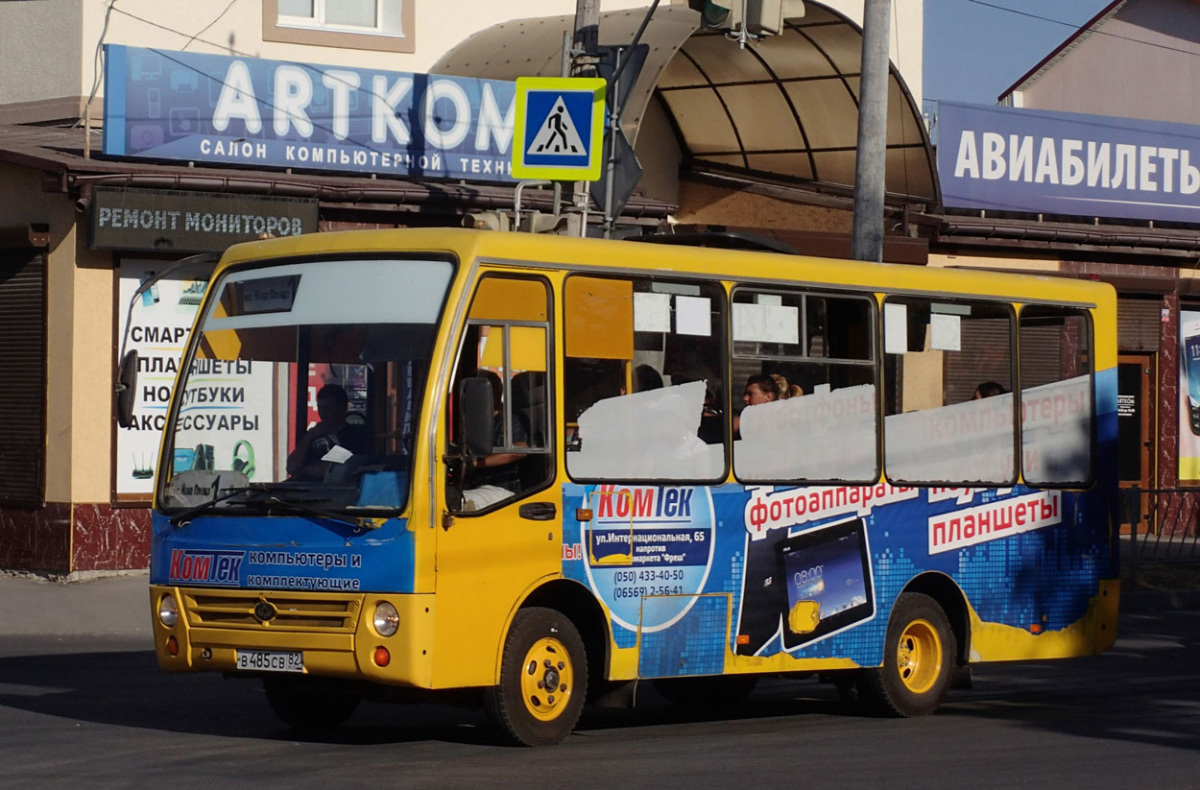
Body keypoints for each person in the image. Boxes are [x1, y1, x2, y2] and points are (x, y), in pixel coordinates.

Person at [287, 384, 370, 482]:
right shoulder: (312, 435)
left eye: (328, 407)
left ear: (342, 408)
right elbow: (291, 467)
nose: (322, 412)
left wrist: (303, 470)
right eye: (320, 407)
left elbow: (331, 469)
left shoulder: (354, 436)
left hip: (330, 491)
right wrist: (309, 437)